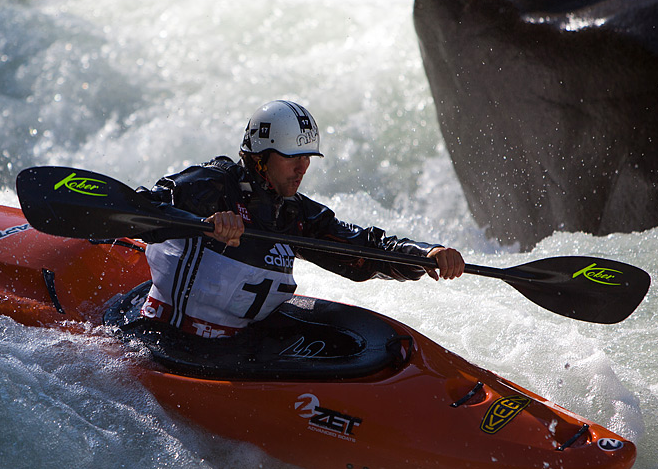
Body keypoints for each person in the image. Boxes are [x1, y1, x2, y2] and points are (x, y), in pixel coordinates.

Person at [135, 100, 465, 338]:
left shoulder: (294, 213)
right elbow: (141, 208)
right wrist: (203, 224)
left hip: (236, 346)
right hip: (163, 336)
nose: (303, 166)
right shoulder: (212, 185)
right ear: (260, 158)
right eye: (293, 156)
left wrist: (425, 255)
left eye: (307, 156)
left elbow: (365, 251)